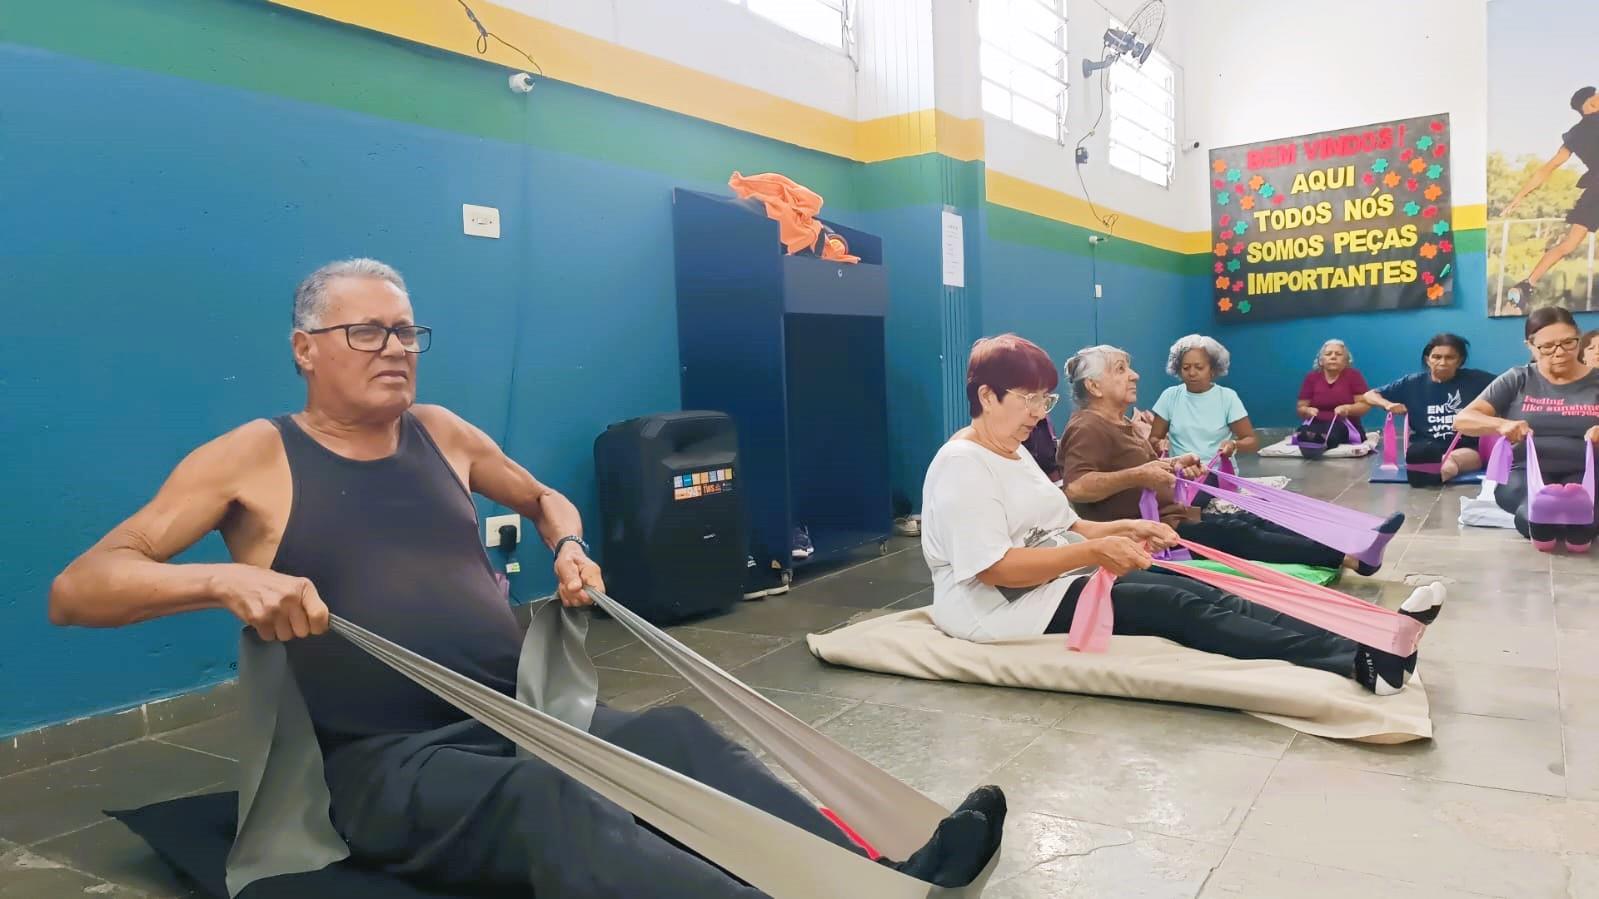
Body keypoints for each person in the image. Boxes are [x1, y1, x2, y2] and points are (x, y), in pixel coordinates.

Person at [47, 259, 1004, 896]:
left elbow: (546, 497)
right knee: (555, 803)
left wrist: (570, 545)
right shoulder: (251, 457)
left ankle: (883, 871)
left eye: (407, 332)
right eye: (367, 333)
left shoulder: (441, 433)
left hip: (526, 717)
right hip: (387, 764)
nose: (396, 350)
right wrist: (223, 583)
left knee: (670, 734)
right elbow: (81, 587)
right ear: (306, 348)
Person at [919, 334, 1439, 695]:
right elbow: (996, 569)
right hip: (999, 609)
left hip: (1051, 578)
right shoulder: (963, 464)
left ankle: (1366, 643)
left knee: (1200, 587)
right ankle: (1357, 661)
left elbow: (1066, 523)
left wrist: (1126, 527)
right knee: (1176, 605)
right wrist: (1095, 550)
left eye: (1045, 399)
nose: (1039, 412)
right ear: (986, 396)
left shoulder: (1015, 451)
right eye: (1029, 399)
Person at [1055, 344, 1397, 576]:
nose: (1134, 375)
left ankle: (1355, 548)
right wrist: (1141, 474)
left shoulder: (1122, 423)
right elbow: (1078, 488)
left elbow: (1140, 470)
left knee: (1252, 520)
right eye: (1121, 370)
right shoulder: (1088, 426)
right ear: (1094, 387)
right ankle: (1352, 558)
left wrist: (1174, 464)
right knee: (1241, 533)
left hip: (1174, 515)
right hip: (1152, 534)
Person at [1455, 306, 1599, 552]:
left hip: (1588, 470)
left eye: (1568, 343)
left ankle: (1575, 525)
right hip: (1524, 472)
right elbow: (1463, 420)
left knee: (1582, 510)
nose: (1560, 352)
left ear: (1579, 337)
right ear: (1530, 346)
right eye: (1547, 347)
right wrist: (1502, 424)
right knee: (1535, 504)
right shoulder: (1518, 378)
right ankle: (1540, 522)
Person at [1500, 86, 1599, 312]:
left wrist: (1519, 196)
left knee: (1567, 245)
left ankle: (1526, 284)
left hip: (1594, 192)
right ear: (1592, 103)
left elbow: (1548, 168)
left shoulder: (1574, 135)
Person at [1362, 333, 1497, 484]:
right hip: (1425, 448)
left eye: (1450, 357)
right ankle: (1429, 473)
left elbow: (1510, 386)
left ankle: (1434, 475)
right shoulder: (1412, 383)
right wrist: (1388, 405)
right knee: (1425, 459)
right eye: (1436, 357)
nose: (1442, 362)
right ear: (1428, 359)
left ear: (1460, 360)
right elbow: (1369, 395)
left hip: (1467, 449)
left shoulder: (1476, 379)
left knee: (1449, 462)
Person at [1149, 334, 1258, 461]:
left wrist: (1233, 445)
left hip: (1217, 471)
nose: (1192, 373)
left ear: (1213, 369)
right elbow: (1153, 439)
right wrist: (1159, 443)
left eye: (1199, 367)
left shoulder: (1227, 397)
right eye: (1186, 368)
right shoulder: (1169, 396)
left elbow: (1251, 441)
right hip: (1181, 470)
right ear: (1178, 370)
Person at [1296, 339, 1371, 449]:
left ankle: (1319, 442)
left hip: (1345, 425)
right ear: (1321, 361)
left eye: (1338, 354)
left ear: (1346, 361)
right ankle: (1314, 443)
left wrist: (1348, 409)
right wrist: (1307, 410)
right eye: (1328, 354)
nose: (1333, 357)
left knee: (1329, 435)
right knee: (1303, 433)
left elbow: (1364, 405)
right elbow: (1301, 408)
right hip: (1316, 423)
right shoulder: (1311, 378)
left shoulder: (1354, 376)